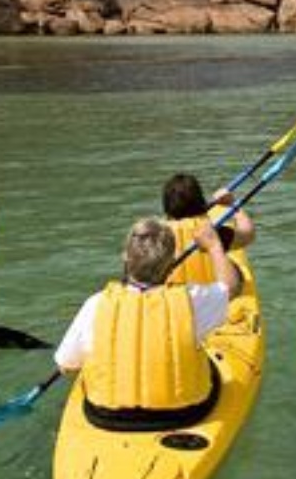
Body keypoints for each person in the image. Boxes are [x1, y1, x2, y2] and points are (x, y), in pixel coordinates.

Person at [53, 216, 244, 431]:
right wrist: (214, 245)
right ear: (171, 265)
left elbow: (66, 366)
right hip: (183, 414)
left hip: (105, 415)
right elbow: (232, 287)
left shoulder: (96, 304)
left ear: (125, 257)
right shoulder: (192, 300)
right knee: (207, 359)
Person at [161, 172, 255, 287]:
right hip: (213, 295)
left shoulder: (156, 237)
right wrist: (233, 205)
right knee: (236, 270)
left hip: (175, 297)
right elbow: (248, 234)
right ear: (201, 201)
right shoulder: (212, 233)